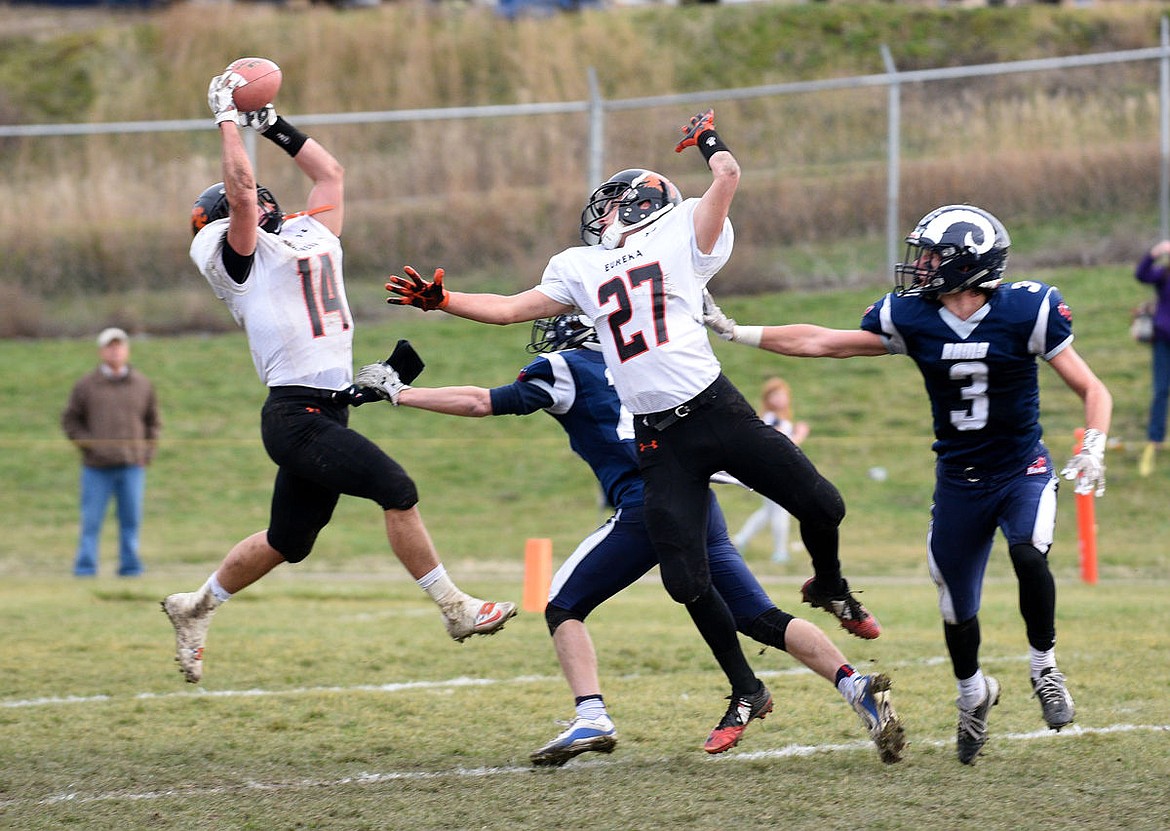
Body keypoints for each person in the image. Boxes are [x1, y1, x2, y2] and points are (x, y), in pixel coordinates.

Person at [381, 109, 880, 752]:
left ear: (635, 201)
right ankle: (755, 686)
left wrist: (707, 140)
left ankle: (831, 586)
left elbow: (727, 178)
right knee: (686, 583)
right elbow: (509, 308)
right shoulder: (579, 267)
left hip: (713, 409)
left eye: (609, 204)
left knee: (823, 503)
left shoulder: (681, 233)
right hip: (659, 439)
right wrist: (443, 302)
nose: (600, 217)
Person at [352, 315, 904, 765]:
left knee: (564, 603)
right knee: (756, 615)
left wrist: (403, 394)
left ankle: (592, 714)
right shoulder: (641, 363)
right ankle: (855, 687)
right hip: (699, 499)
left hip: (649, 505)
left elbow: (482, 401)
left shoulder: (565, 366)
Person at [702, 204, 1112, 765]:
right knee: (955, 606)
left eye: (932, 255)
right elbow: (826, 342)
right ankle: (973, 693)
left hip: (1021, 470)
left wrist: (1093, 443)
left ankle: (1044, 667)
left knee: (1028, 553)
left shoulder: (1028, 310)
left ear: (967, 264)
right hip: (959, 481)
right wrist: (737, 331)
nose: (920, 266)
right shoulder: (913, 317)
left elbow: (1094, 389)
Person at [161, 66, 515, 685]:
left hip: (328, 407)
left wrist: (272, 125)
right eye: (254, 201)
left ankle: (196, 605)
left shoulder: (305, 233)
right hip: (295, 416)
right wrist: (224, 117)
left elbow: (330, 174)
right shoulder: (239, 255)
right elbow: (242, 196)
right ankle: (455, 607)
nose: (268, 201)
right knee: (396, 489)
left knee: (288, 540)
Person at [61, 327, 161, 577]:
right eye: (110, 346)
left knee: (131, 521)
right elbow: (71, 421)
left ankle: (130, 567)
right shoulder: (86, 385)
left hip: (132, 466)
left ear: (126, 350)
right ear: (102, 351)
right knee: (91, 521)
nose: (115, 351)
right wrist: (89, 445)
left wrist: (146, 454)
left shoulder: (142, 384)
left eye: (119, 346)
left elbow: (153, 422)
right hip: (96, 468)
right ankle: (85, 568)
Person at [733, 376, 810, 563]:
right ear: (767, 398)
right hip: (774, 470)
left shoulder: (780, 419)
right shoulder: (770, 419)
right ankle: (780, 552)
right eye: (775, 395)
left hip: (775, 470)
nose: (780, 399)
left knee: (769, 511)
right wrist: (799, 435)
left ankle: (740, 539)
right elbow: (781, 445)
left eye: (783, 395)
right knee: (781, 510)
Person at [1134, 239, 1170, 476]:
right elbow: (1141, 274)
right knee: (1161, 391)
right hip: (1164, 341)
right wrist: (1154, 253)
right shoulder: (1164, 275)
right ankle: (1154, 440)